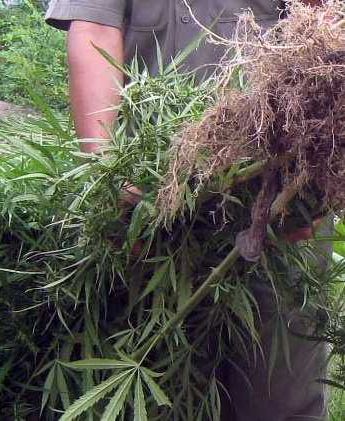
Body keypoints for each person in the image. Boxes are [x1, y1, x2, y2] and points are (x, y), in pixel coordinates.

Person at [45, 1, 329, 420]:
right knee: (162, 381)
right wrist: (107, 172)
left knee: (279, 392)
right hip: (150, 196)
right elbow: (95, 30)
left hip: (278, 193)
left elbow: (326, 28)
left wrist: (316, 179)